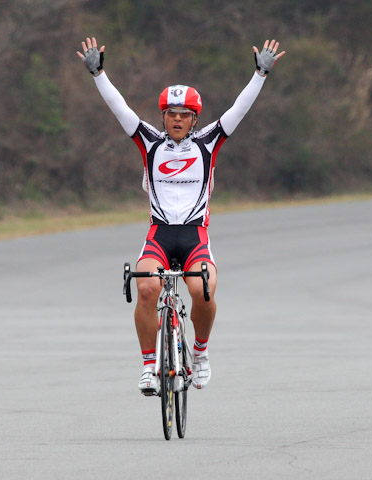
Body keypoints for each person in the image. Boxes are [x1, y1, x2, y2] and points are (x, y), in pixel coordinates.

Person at [77, 36, 285, 395]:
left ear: (194, 118)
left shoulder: (207, 143)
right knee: (144, 287)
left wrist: (260, 75)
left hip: (194, 237)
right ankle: (148, 367)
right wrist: (98, 73)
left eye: (184, 115)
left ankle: (200, 353)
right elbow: (119, 108)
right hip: (159, 235)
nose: (177, 119)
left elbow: (239, 109)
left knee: (202, 290)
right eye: (171, 114)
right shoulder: (149, 142)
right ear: (163, 116)